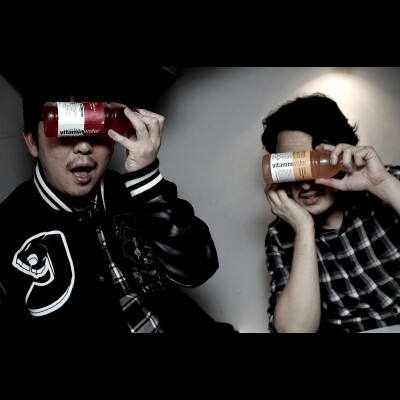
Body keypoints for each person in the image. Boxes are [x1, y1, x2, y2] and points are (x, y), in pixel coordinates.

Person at [0, 85, 235, 337]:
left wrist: (147, 180)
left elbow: (198, 268)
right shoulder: (6, 228)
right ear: (32, 141)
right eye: (66, 128)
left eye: (95, 126)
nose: (84, 146)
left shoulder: (135, 190)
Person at [261, 92, 400, 333]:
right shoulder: (280, 236)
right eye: (294, 167)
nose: (305, 185)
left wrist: (382, 185)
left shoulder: (390, 183)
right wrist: (304, 229)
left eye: (313, 164)